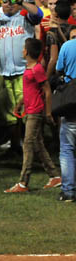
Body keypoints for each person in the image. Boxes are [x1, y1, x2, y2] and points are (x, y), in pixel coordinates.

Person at [0, 0, 43, 154]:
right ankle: (15, 144)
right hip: (2, 71)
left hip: (23, 71)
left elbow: (38, 14)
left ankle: (31, 145)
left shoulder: (24, 15)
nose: (9, 4)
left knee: (27, 110)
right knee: (7, 112)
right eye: (6, 0)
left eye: (13, 0)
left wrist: (21, 1)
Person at [5, 38, 61, 193]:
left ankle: (23, 182)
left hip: (35, 111)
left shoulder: (37, 69)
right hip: (29, 109)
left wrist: (48, 112)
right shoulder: (29, 68)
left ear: (27, 52)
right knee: (37, 144)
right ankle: (54, 176)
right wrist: (20, 103)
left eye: (24, 48)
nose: (22, 50)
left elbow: (47, 90)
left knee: (28, 144)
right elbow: (30, 89)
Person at [56, 33, 76, 202]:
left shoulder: (67, 46)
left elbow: (58, 68)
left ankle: (68, 191)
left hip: (71, 100)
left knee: (67, 149)